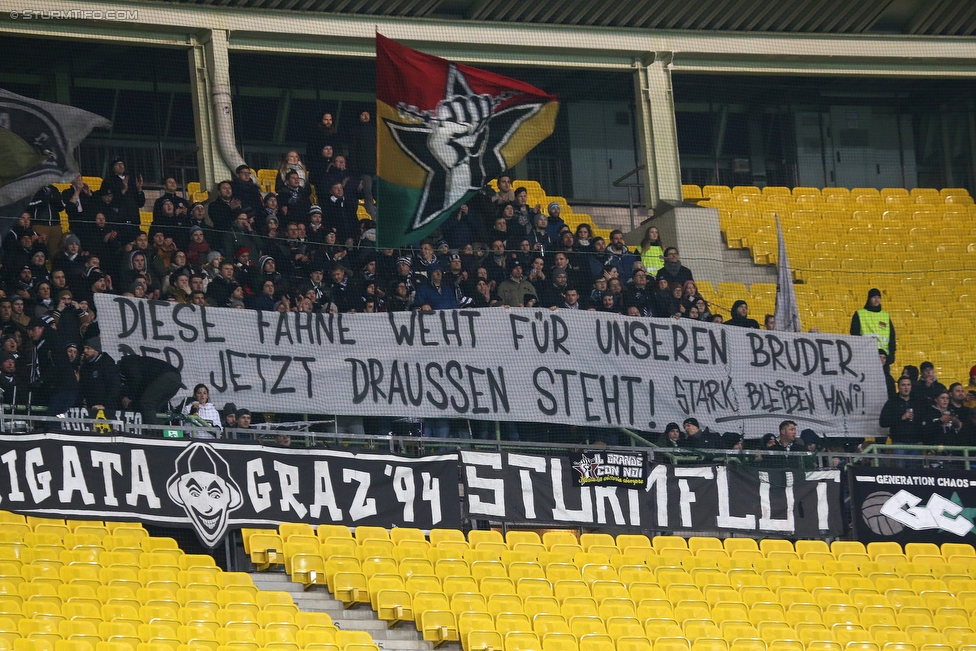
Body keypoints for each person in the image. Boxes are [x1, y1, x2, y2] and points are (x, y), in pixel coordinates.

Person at [118, 354, 183, 426]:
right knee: (155, 407)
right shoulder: (139, 364)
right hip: (176, 379)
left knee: (147, 403)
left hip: (167, 377)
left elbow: (136, 379)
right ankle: (158, 430)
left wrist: (130, 397)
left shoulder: (127, 363)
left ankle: (152, 432)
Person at [850, 288, 896, 366]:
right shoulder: (860, 314)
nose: (876, 300)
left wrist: (892, 353)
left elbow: (892, 335)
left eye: (878, 297)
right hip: (866, 355)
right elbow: (854, 333)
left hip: (883, 357)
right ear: (869, 298)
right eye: (874, 297)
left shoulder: (885, 315)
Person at [79, 337, 120, 412]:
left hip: (106, 409)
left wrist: (105, 405)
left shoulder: (107, 364)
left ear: (96, 350)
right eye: (84, 348)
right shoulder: (85, 366)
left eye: (88, 348)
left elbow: (114, 386)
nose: (85, 351)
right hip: (90, 408)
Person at [879, 376, 921, 450]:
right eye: (903, 385)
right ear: (898, 387)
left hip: (915, 442)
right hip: (898, 442)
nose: (906, 388)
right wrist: (901, 418)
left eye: (908, 385)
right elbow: (883, 422)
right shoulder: (892, 402)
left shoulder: (917, 402)